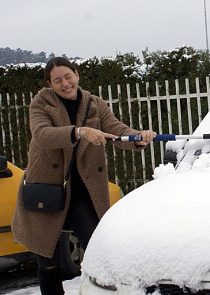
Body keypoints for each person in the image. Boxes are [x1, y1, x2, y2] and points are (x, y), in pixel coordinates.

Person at [11, 57, 156, 294]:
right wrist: (80, 132)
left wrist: (138, 137)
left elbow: (116, 130)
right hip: (46, 191)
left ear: (77, 75)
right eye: (57, 80)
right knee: (48, 262)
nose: (65, 83)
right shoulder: (41, 104)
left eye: (68, 76)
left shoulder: (93, 104)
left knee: (97, 250)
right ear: (50, 84)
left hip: (82, 190)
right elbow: (42, 135)